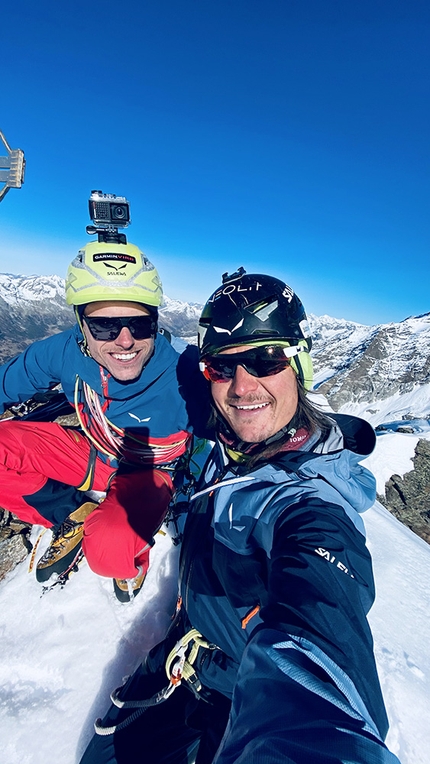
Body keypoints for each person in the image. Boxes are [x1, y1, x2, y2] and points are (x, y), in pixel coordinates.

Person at [80, 268, 399, 763]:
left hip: (236, 695)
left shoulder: (309, 507)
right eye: (223, 367)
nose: (242, 387)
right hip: (184, 663)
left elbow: (320, 645)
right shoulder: (225, 443)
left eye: (265, 360)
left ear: (300, 366)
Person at [0, 240, 204, 601]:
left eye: (140, 325)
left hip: (150, 473)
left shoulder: (184, 373)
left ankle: (133, 559)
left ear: (155, 322)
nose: (125, 341)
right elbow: (9, 382)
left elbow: (243, 412)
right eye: (104, 325)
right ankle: (70, 515)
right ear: (82, 324)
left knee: (110, 554)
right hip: (94, 452)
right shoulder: (65, 352)